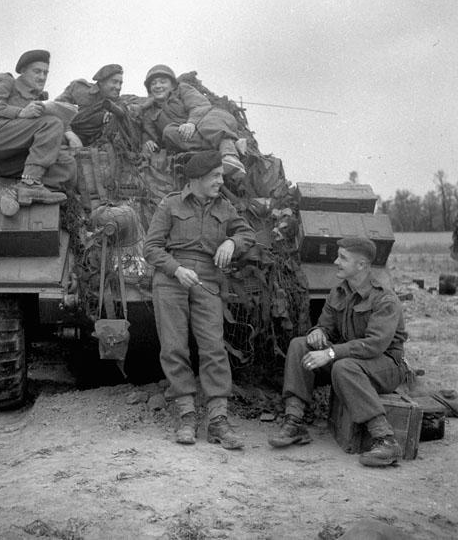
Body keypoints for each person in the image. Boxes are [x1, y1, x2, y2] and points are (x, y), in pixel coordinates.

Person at [143, 150, 255, 449]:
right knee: (174, 345)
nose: (221, 181)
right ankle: (186, 415)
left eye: (220, 175)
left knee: (213, 347)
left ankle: (218, 420)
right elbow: (151, 248)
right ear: (197, 179)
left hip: (208, 278)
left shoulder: (226, 207)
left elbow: (248, 234)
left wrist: (232, 241)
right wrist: (176, 270)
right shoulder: (170, 204)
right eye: (215, 176)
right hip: (171, 277)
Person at [268, 237, 408, 467]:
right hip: (351, 360)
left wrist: (331, 353)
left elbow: (374, 345)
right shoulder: (339, 292)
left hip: (386, 366)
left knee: (344, 367)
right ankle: (294, 422)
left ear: (361, 265)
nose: (335, 261)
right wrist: (318, 333)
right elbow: (326, 325)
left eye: (342, 257)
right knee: (299, 345)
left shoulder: (385, 299)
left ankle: (385, 438)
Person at [0, 49, 76, 216]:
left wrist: (68, 132)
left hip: (6, 159)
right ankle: (29, 184)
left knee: (65, 165)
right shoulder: (7, 81)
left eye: (45, 73)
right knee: (52, 123)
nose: (42, 77)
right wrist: (20, 112)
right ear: (23, 71)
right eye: (37, 71)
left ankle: (9, 192)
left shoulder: (38, 98)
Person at [141, 65, 246, 179]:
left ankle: (229, 154)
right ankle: (228, 144)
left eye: (162, 82)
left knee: (211, 119)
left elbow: (199, 106)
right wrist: (148, 140)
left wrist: (191, 123)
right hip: (188, 137)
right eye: (153, 83)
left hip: (206, 120)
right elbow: (149, 131)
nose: (158, 86)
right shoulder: (150, 112)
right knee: (169, 132)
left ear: (172, 85)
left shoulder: (183, 89)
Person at [56, 64, 142, 147]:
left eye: (120, 83)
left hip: (96, 143)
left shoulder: (120, 101)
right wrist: (69, 133)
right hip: (69, 134)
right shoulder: (80, 89)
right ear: (101, 82)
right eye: (114, 82)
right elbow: (57, 109)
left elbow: (143, 102)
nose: (118, 87)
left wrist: (126, 109)